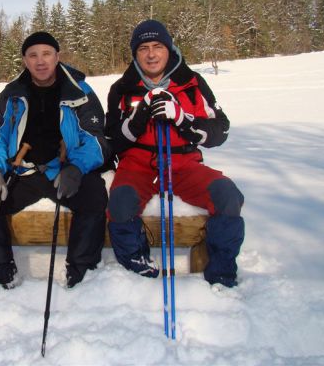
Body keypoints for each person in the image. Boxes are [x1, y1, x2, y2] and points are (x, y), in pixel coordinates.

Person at [105, 19, 244, 287]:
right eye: (143, 48)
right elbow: (111, 141)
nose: (151, 54)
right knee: (120, 204)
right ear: (135, 53)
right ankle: (138, 269)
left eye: (158, 46)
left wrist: (184, 120)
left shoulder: (191, 82)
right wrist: (136, 120)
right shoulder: (122, 89)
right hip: (137, 165)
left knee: (228, 196)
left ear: (169, 48)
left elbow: (220, 131)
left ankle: (221, 275)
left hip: (183, 163)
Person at [0, 31, 110, 289]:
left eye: (46, 54)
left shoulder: (80, 90)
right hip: (23, 172)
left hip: (63, 171)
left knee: (94, 193)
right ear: (24, 60)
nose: (40, 61)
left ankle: (81, 269)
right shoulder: (11, 94)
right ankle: (1, 272)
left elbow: (96, 138)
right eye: (33, 55)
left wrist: (77, 168)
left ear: (57, 57)